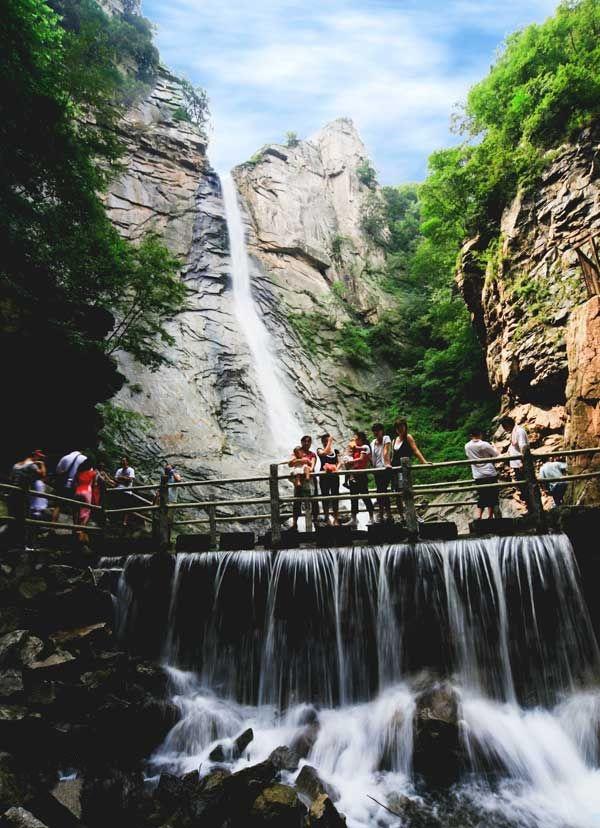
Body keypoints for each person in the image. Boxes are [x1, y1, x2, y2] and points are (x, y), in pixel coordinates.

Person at [390, 418, 428, 516]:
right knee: (397, 493)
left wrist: (423, 462)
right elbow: (392, 456)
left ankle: (411, 514)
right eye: (398, 427)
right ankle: (402, 515)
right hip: (395, 469)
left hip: (404, 469)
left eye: (401, 427)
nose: (400, 429)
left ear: (405, 427)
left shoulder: (408, 437)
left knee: (405, 490)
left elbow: (415, 450)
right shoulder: (394, 440)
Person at [465, 427, 501, 520]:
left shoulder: (467, 446)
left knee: (482, 495)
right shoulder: (485, 444)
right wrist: (494, 447)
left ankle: (478, 517)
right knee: (493, 495)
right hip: (490, 473)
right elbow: (496, 455)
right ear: (480, 434)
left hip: (478, 475)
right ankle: (490, 517)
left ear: (471, 436)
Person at [346, 430, 374, 528]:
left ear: (361, 439)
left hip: (361, 475)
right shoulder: (356, 449)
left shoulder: (365, 447)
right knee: (353, 498)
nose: (355, 440)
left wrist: (351, 461)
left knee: (365, 496)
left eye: (357, 439)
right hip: (354, 474)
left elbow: (362, 459)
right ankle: (354, 518)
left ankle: (371, 517)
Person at [288, 438, 317, 531]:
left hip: (309, 480)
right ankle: (294, 523)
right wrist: (304, 460)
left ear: (311, 443)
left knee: (312, 501)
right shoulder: (296, 451)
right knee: (297, 502)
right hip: (299, 481)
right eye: (304, 441)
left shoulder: (312, 454)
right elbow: (290, 463)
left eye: (308, 441)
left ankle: (314, 523)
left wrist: (299, 461)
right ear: (301, 442)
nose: (306, 443)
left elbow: (312, 467)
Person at [500, 416, 529, 507]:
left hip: (520, 463)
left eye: (504, 427)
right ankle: (528, 506)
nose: (504, 429)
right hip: (516, 464)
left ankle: (531, 507)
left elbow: (523, 446)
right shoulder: (513, 431)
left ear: (508, 425)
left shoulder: (519, 431)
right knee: (522, 486)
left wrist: (522, 462)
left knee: (526, 486)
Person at [52, 450, 87, 522]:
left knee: (58, 506)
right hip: (76, 486)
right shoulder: (84, 459)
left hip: (64, 485)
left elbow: (58, 471)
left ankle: (52, 526)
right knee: (76, 508)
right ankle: (75, 530)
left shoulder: (65, 457)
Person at [10, 450, 45, 520]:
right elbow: (43, 475)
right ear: (35, 456)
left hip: (12, 492)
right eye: (39, 457)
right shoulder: (31, 465)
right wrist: (42, 464)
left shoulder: (16, 465)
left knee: (13, 515)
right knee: (23, 517)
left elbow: (11, 478)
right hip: (22, 494)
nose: (39, 459)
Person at [317, 433, 340, 526]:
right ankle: (327, 518)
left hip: (334, 477)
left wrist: (336, 468)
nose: (326, 442)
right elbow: (324, 454)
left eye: (328, 440)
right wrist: (329, 442)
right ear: (322, 442)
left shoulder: (335, 451)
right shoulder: (319, 450)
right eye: (325, 441)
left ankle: (336, 518)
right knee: (325, 497)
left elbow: (339, 462)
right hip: (324, 477)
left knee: (335, 497)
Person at [371, 423, 393, 522]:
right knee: (381, 491)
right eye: (374, 431)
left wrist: (387, 463)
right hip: (377, 471)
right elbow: (371, 457)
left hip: (385, 469)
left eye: (378, 431)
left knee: (382, 491)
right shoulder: (372, 443)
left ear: (382, 431)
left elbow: (386, 451)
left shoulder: (386, 438)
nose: (376, 433)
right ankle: (385, 514)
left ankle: (385, 514)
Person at [73, 458, 97, 538]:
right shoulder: (93, 473)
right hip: (87, 492)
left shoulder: (79, 472)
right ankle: (81, 531)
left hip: (78, 491)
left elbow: (75, 483)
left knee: (76, 511)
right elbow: (94, 485)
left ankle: (75, 529)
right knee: (87, 512)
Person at [114, 456, 135, 527]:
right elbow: (115, 480)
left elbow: (129, 481)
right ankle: (117, 520)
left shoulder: (131, 470)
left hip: (127, 491)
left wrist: (121, 478)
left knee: (126, 507)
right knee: (118, 505)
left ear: (127, 462)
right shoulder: (119, 470)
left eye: (124, 461)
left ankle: (124, 522)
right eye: (122, 461)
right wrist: (125, 479)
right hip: (118, 490)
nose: (122, 462)